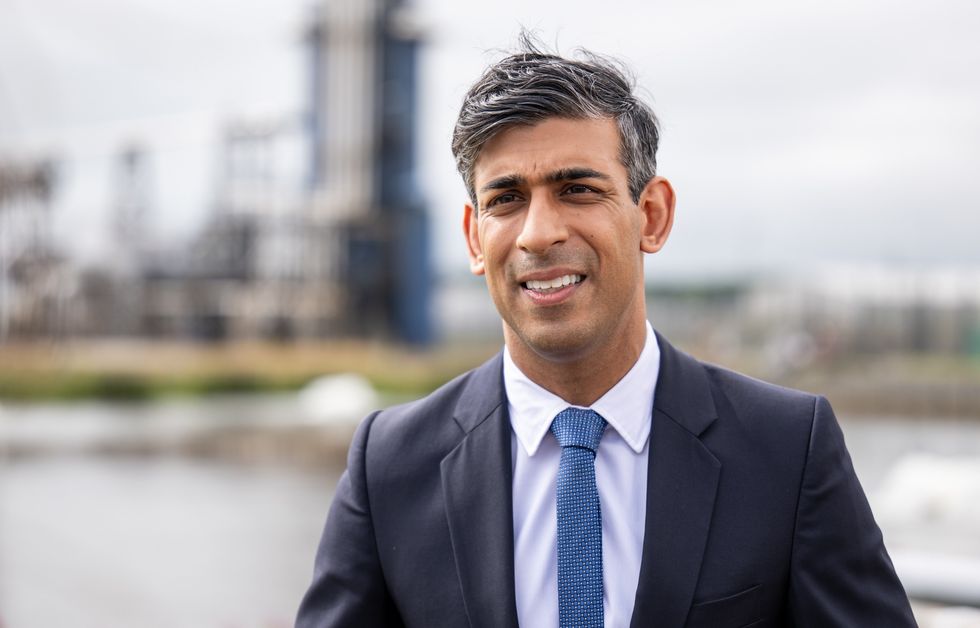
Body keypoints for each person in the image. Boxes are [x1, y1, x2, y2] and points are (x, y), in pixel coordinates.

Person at [296, 37, 917, 628]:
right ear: (473, 237)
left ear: (651, 215)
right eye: (506, 198)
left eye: (578, 190)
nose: (539, 233)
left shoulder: (786, 450)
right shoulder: (390, 465)